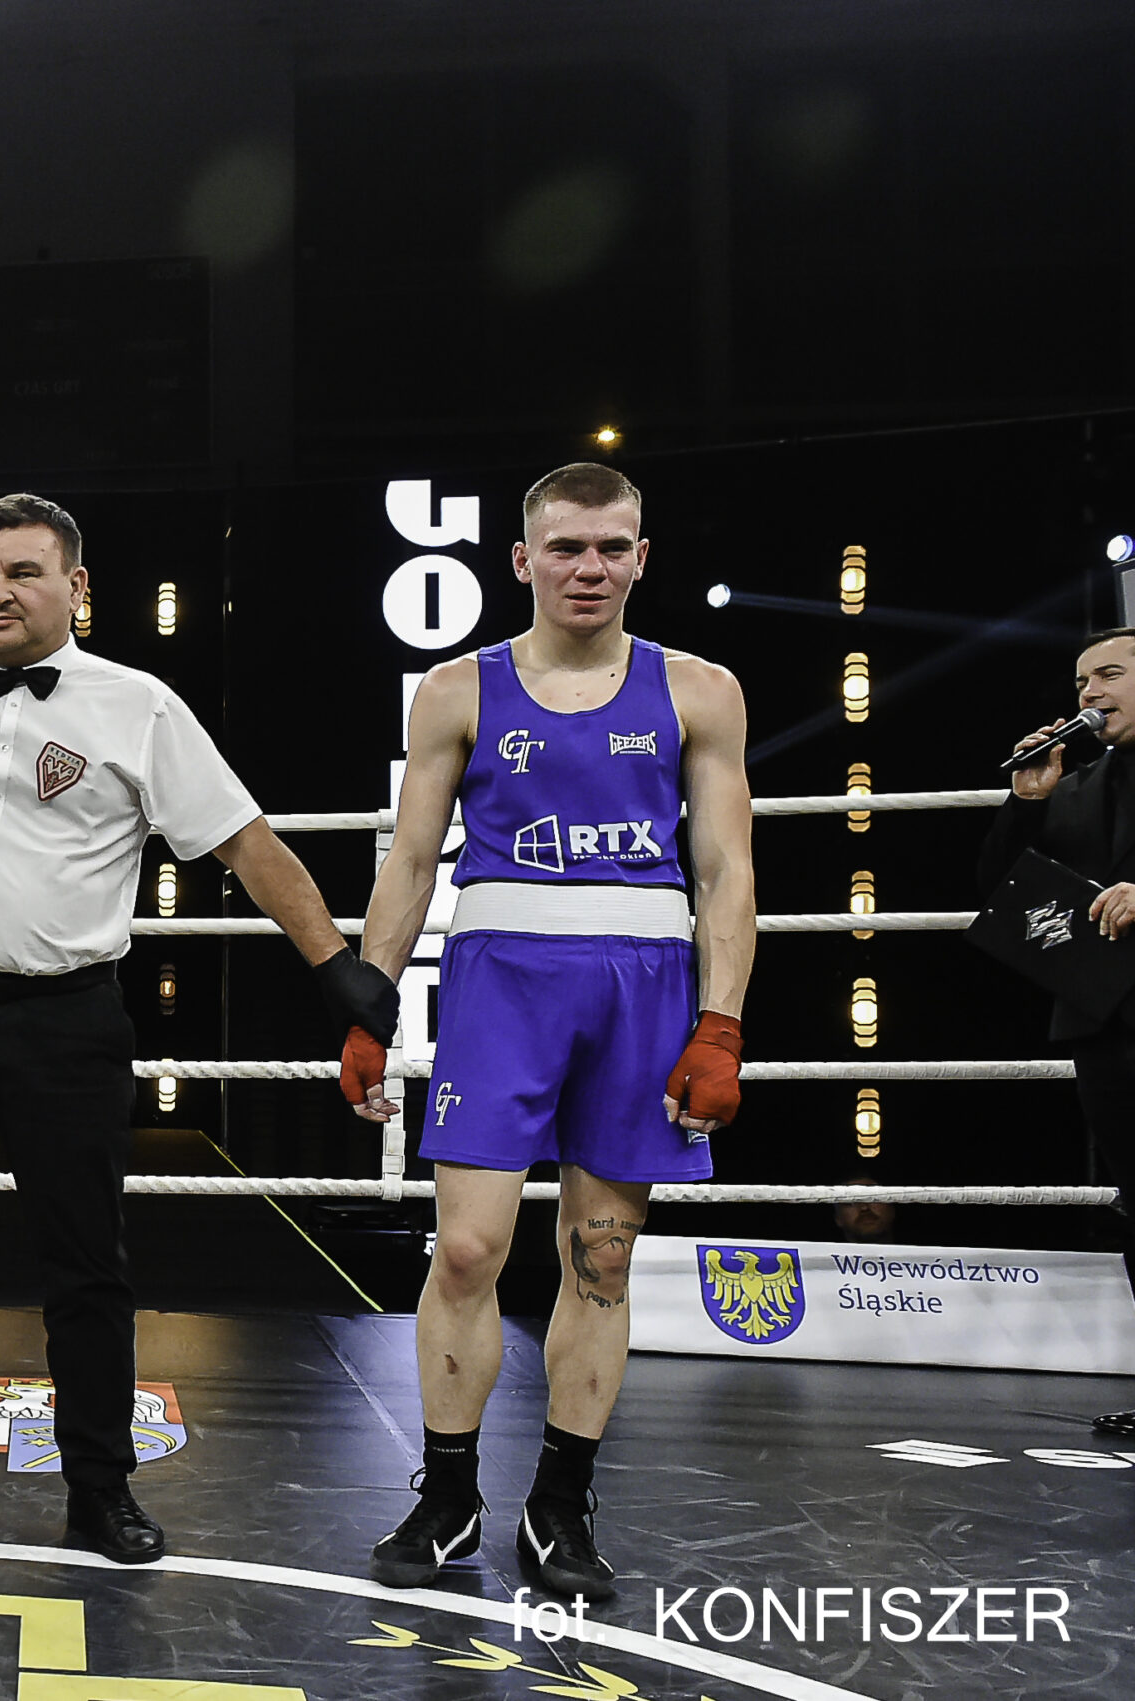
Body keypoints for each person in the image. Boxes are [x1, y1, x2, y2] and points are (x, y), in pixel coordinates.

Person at [0, 366, 399, 1566]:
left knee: (87, 1269)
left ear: (76, 587)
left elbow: (247, 844)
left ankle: (101, 1488)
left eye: (22, 571)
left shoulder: (137, 705)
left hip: (67, 1023)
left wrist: (337, 970)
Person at [354, 462, 754, 1601]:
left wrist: (720, 1025)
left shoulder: (700, 690)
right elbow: (411, 862)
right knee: (466, 1249)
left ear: (641, 557)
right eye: (568, 547)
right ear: (523, 559)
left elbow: (726, 871)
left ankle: (561, 1507)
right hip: (501, 984)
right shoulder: (457, 690)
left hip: (643, 988)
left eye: (612, 547)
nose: (590, 567)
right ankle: (446, 1498)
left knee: (602, 1255)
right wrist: (369, 1007)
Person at [977, 625, 1135, 1437]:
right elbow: (1001, 889)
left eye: (1109, 673)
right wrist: (1028, 800)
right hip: (1104, 1019)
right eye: (1080, 682)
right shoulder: (1075, 786)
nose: (1090, 693)